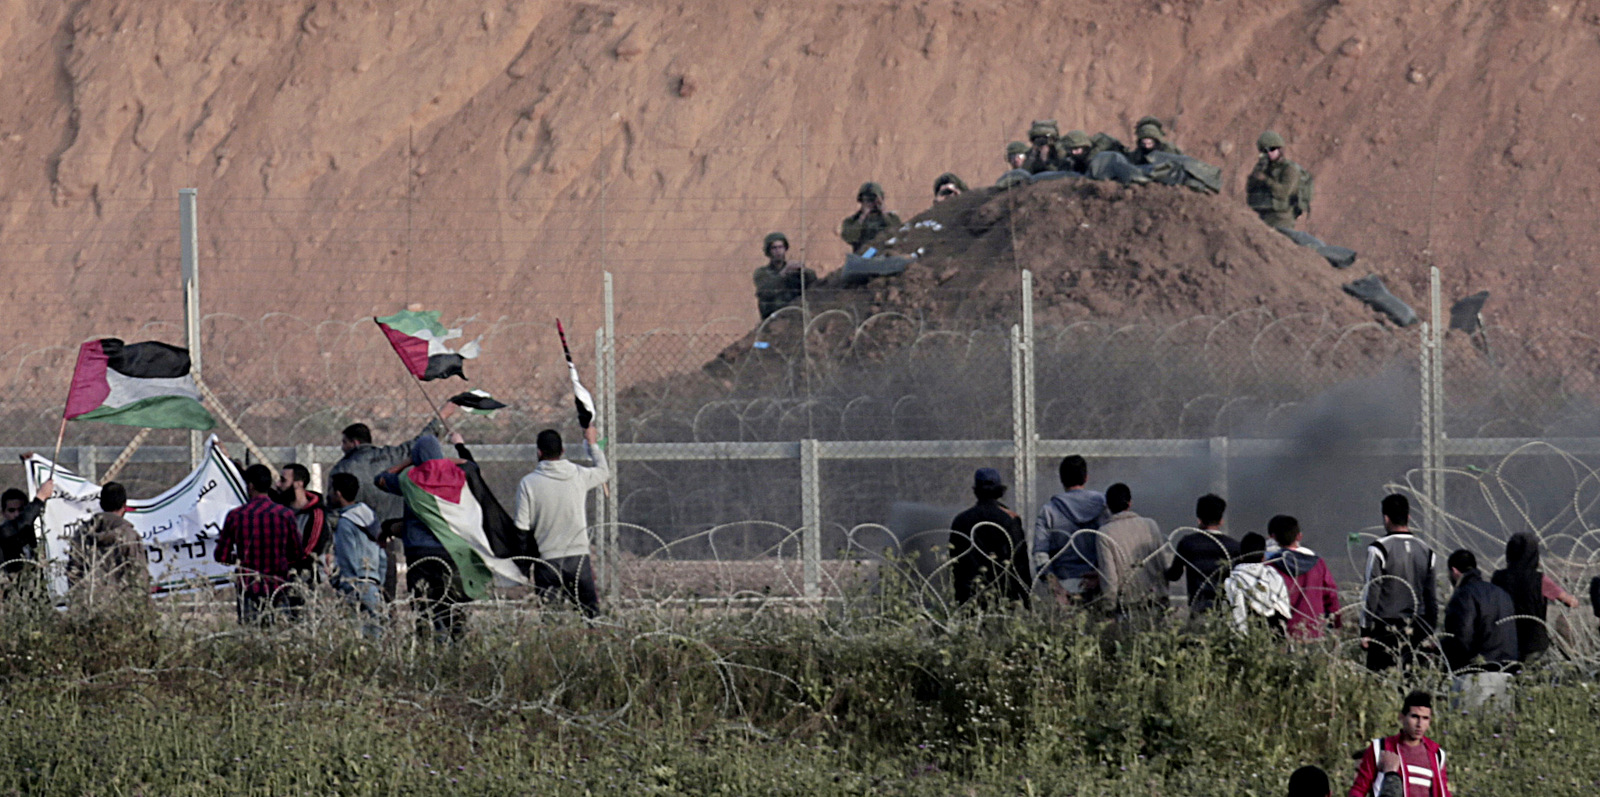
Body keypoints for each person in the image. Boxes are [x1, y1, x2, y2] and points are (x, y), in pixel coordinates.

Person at [328, 410, 450, 600]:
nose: (342, 448)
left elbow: (334, 512)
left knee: (355, 593)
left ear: (355, 443)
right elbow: (422, 442)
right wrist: (447, 410)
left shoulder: (342, 469)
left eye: (344, 442)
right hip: (388, 537)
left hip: (354, 539)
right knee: (387, 593)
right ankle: (389, 623)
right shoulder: (393, 456)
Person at [376, 433, 473, 639]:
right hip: (452, 552)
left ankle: (426, 646)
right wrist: (442, 461)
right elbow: (470, 464)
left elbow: (381, 479)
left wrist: (409, 461)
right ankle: (457, 647)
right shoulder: (457, 477)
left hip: (420, 554)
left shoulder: (409, 479)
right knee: (453, 606)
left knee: (424, 608)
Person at [514, 425, 611, 617]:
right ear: (563, 451)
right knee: (590, 614)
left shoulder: (528, 483)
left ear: (539, 452)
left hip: (547, 560)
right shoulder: (578, 475)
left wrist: (522, 565)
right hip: (578, 557)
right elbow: (603, 473)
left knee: (550, 618)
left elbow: (521, 527)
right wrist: (592, 444)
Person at [215, 464, 304, 624]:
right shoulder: (285, 515)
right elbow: (297, 553)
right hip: (279, 585)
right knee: (280, 631)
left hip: (249, 586)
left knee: (251, 633)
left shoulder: (236, 516)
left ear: (250, 486)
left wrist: (240, 559)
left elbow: (221, 555)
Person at [1361, 494, 1440, 671]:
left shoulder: (1379, 548)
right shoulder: (1426, 550)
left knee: (1381, 679)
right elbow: (1431, 596)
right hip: (1418, 625)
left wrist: (1365, 629)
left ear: (1386, 518)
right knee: (1412, 678)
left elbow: (1372, 589)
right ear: (1408, 517)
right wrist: (1431, 629)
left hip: (1386, 627)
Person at [1032, 455, 1110, 605]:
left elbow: (1039, 554)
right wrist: (1103, 575)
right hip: (1099, 581)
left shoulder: (1049, 510)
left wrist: (1055, 586)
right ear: (1086, 478)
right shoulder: (1104, 505)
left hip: (1064, 583)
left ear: (1061, 479)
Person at [947, 467, 1029, 608]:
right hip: (1004, 594)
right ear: (999, 490)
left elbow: (955, 561)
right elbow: (1019, 561)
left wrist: (960, 595)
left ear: (975, 490)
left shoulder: (961, 520)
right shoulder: (1009, 519)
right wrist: (1026, 597)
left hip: (970, 594)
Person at [1490, 532, 1575, 663]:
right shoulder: (1540, 580)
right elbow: (1569, 601)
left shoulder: (1498, 578)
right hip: (1534, 643)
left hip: (1505, 641)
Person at [1348, 691, 1452, 797]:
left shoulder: (1436, 754)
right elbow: (1359, 789)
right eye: (1414, 717)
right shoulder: (1381, 748)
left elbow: (1443, 790)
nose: (1420, 724)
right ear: (1402, 717)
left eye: (1425, 718)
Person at [67, 481, 151, 602]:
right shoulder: (129, 536)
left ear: (101, 504)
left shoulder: (82, 535)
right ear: (124, 505)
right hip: (122, 609)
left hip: (89, 607)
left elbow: (73, 573)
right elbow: (139, 576)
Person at [326, 472, 386, 636]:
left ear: (338, 493)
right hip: (372, 584)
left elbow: (347, 559)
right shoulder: (371, 518)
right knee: (375, 635)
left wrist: (345, 586)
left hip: (355, 585)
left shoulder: (345, 523)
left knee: (354, 637)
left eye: (331, 490)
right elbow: (382, 555)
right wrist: (379, 581)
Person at [1095, 482, 1169, 616]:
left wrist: (1108, 607)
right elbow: (1161, 562)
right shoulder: (1150, 525)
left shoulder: (1105, 533)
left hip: (1128, 602)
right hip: (1155, 598)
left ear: (1108, 507)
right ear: (1129, 503)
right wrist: (1164, 594)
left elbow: (1109, 576)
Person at [1266, 514, 1342, 639]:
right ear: (1299, 536)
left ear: (1273, 538)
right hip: (1314, 629)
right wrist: (1336, 623)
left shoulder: (1271, 566)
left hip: (1283, 632)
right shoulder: (1317, 563)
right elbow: (1331, 595)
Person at [1441, 549, 1518, 672]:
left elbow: (1462, 636)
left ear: (1454, 571)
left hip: (1479, 668)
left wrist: (1444, 650)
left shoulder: (1464, 595)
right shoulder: (1501, 593)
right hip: (1508, 666)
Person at [1164, 493, 1240, 613]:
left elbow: (1174, 575)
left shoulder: (1188, 543)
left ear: (1199, 518)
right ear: (1221, 521)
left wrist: (1159, 572)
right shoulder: (1234, 546)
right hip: (1225, 608)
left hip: (1197, 606)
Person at [1224, 532, 1292, 635]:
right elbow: (1283, 609)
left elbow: (1235, 614)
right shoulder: (1273, 577)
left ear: (1241, 555)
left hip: (1249, 634)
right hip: (1275, 633)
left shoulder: (1233, 580)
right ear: (1263, 556)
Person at [277, 462, 329, 587]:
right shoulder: (280, 509)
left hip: (306, 579)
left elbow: (309, 551)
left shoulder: (316, 514)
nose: (278, 484)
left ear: (298, 483)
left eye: (283, 480)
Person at [752, 231, 818, 320]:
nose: (778, 251)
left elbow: (813, 282)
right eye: (774, 248)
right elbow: (766, 290)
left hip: (794, 315)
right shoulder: (762, 272)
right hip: (773, 318)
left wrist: (803, 271)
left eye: (780, 247)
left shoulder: (793, 270)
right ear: (768, 251)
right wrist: (784, 273)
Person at [1247, 130, 1304, 231]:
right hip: (1263, 215)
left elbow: (1283, 193)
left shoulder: (1290, 169)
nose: (1269, 153)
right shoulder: (1264, 167)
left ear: (1280, 149)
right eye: (1265, 151)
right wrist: (1256, 176)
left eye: (1272, 149)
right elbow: (1250, 189)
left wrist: (1265, 179)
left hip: (1282, 219)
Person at [0, 480, 53, 583]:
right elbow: (20, 524)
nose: (16, 514)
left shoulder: (36, 533)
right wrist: (40, 498)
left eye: (21, 509)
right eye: (11, 510)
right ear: (3, 513)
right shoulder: (3, 533)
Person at [839, 182, 902, 254]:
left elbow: (897, 235)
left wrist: (884, 214)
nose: (871, 202)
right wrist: (862, 217)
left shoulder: (892, 219)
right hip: (864, 259)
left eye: (873, 199)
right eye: (867, 199)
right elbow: (849, 237)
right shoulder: (852, 221)